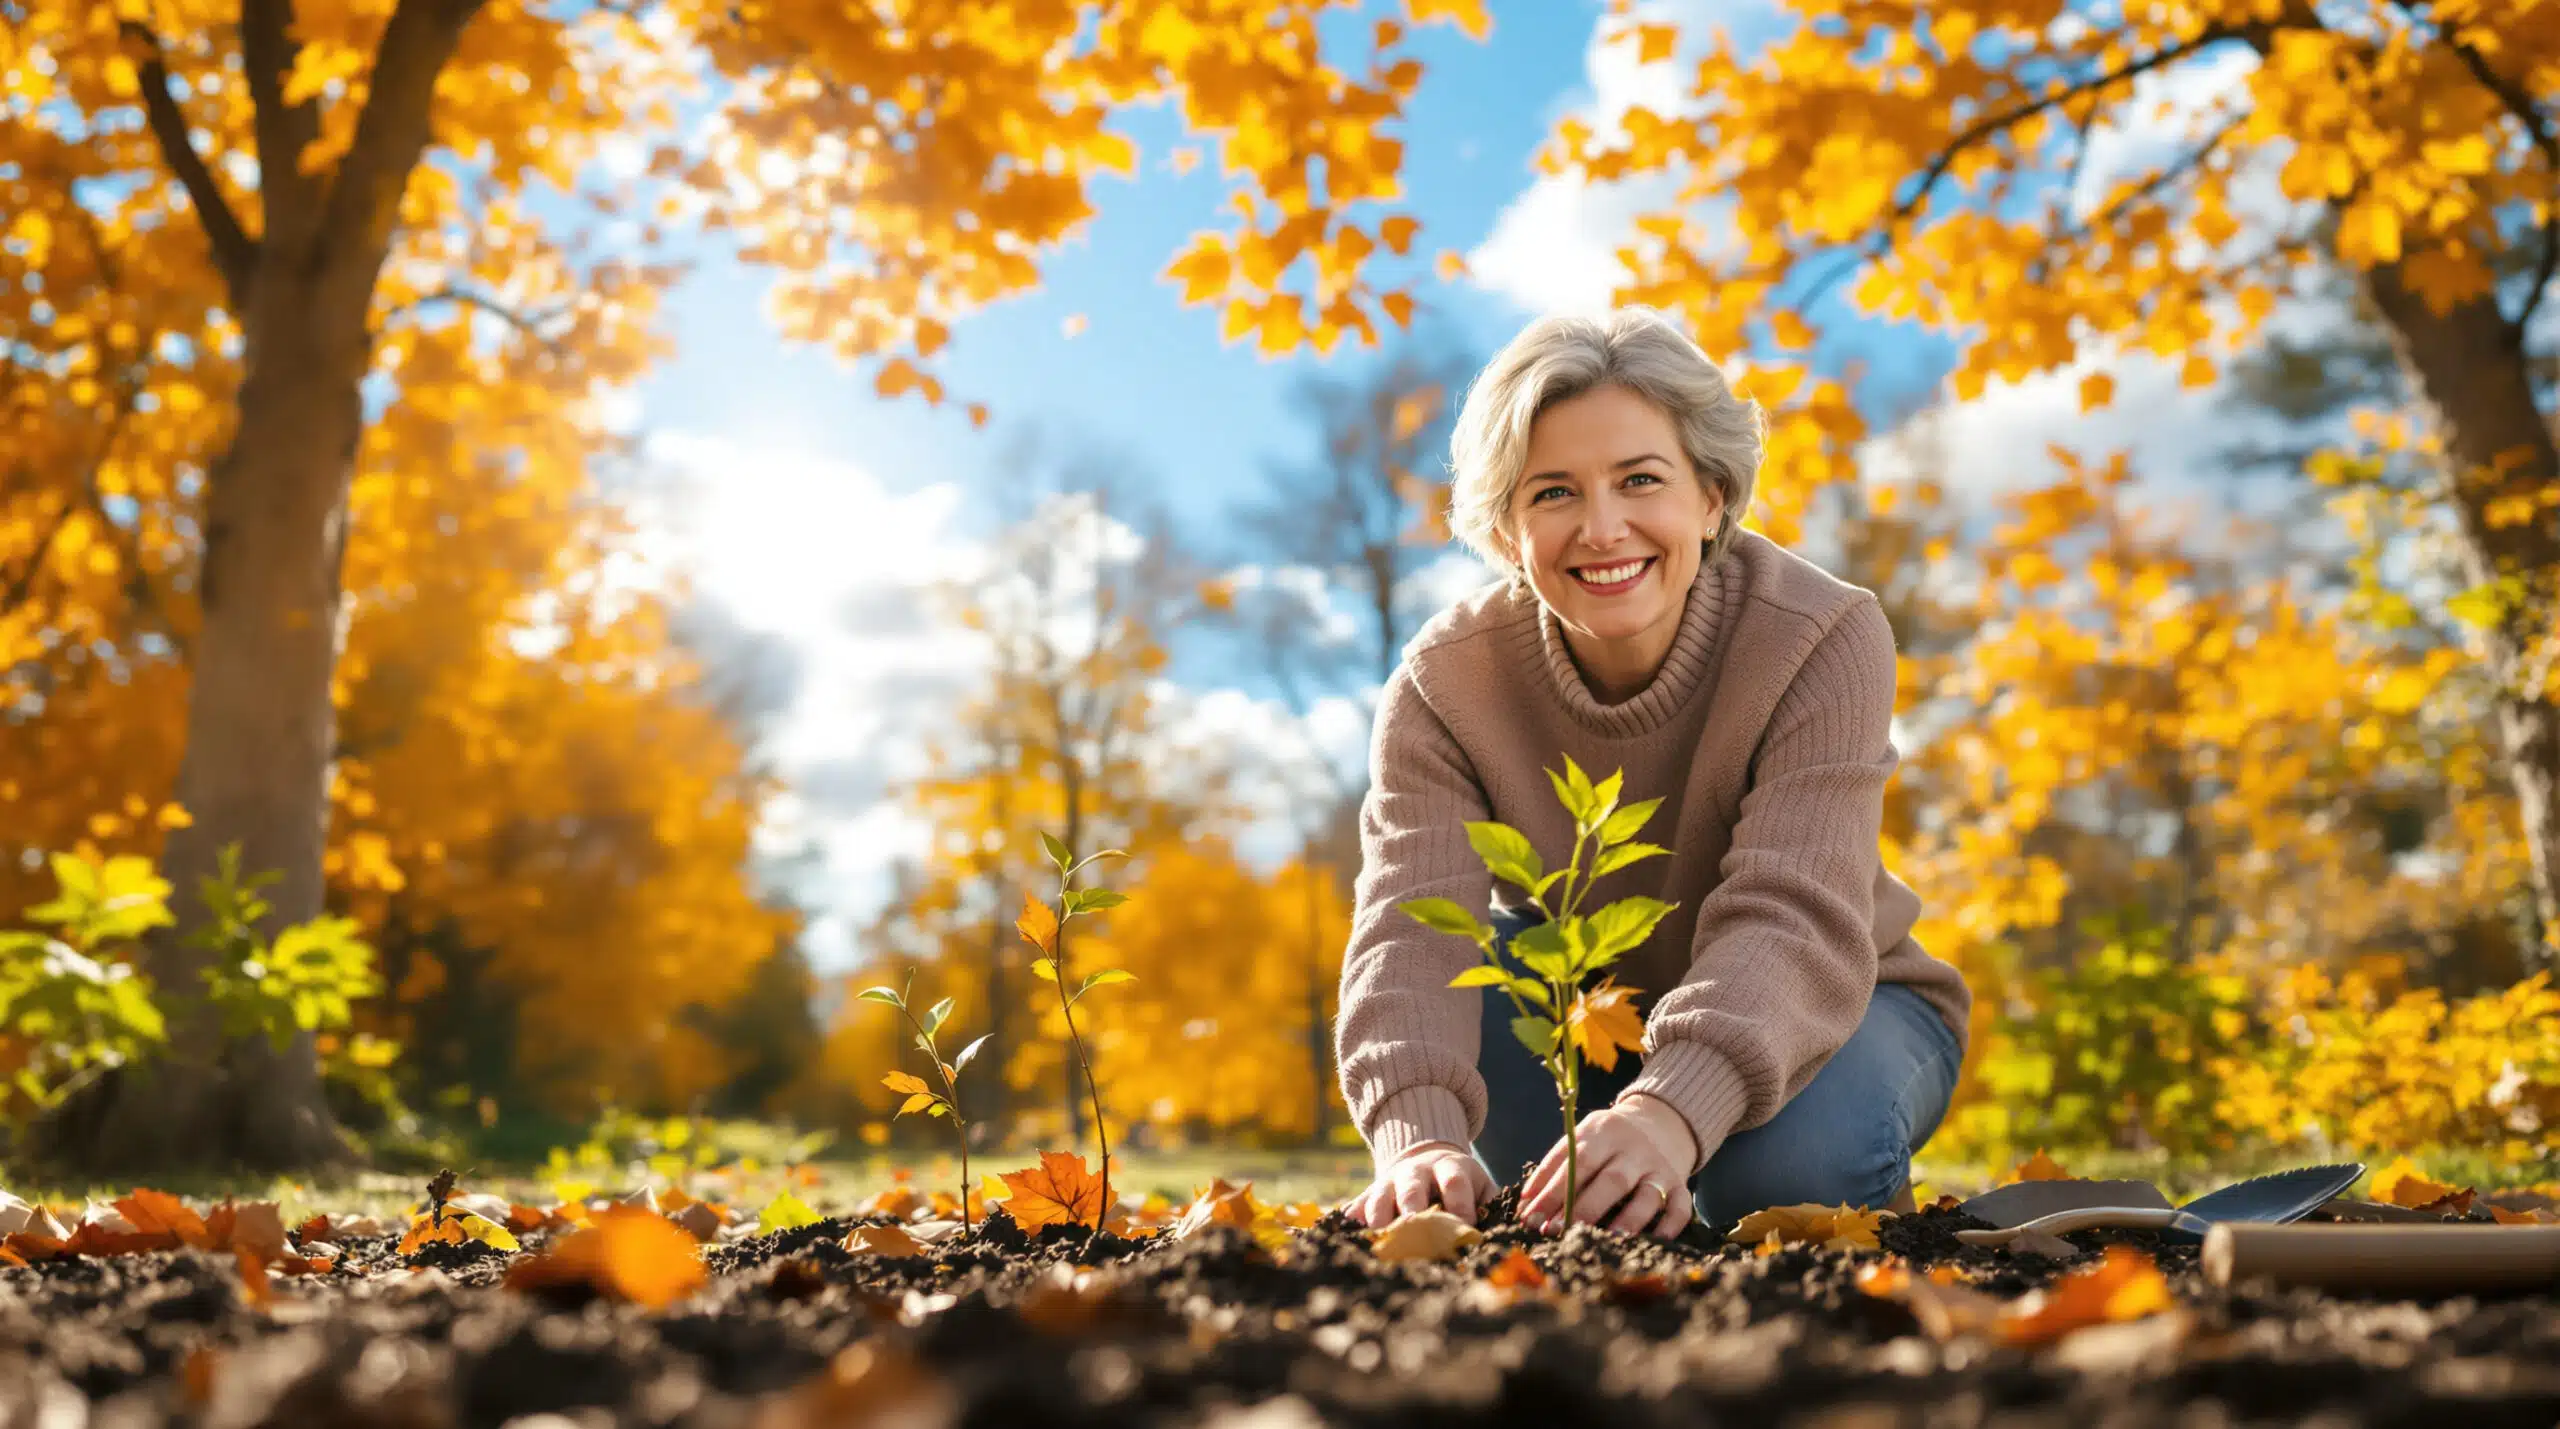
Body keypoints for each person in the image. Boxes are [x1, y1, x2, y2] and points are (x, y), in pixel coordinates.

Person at [1335, 307, 1972, 1238]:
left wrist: (1666, 1113)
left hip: (1846, 1000)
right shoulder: (1445, 685)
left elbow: (1793, 912)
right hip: (1591, 1014)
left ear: (1711, 496)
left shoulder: (1821, 636)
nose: (1602, 528)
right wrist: (1416, 1137)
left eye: (1641, 479)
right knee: (1564, 1196)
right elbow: (1411, 926)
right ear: (1509, 529)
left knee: (1782, 1184)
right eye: (1552, 493)